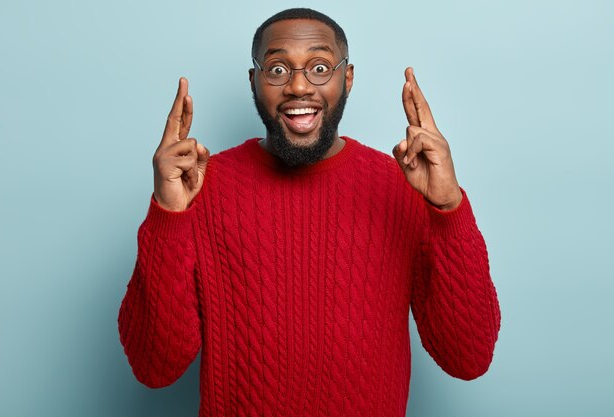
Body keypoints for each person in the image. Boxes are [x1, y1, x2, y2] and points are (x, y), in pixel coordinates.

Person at [118, 7, 501, 417]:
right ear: (254, 82)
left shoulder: (402, 186)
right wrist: (167, 216)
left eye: (320, 66)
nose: (299, 86)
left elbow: (468, 357)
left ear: (347, 78)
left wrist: (448, 209)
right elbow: (154, 367)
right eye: (278, 69)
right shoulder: (200, 186)